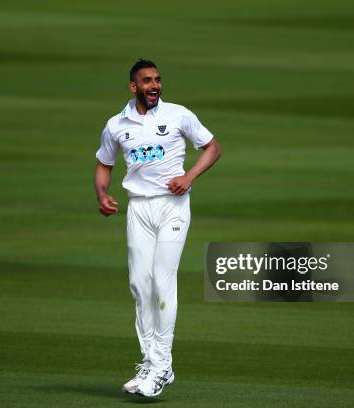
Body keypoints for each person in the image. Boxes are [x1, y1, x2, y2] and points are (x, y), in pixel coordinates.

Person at [94, 58, 221, 397]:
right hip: (138, 208)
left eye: (158, 79)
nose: (155, 85)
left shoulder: (178, 115)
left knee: (163, 282)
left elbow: (213, 147)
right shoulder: (116, 124)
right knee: (139, 285)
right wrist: (102, 194)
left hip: (173, 207)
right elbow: (104, 163)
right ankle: (150, 361)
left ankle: (162, 366)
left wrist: (189, 176)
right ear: (133, 87)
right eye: (147, 81)